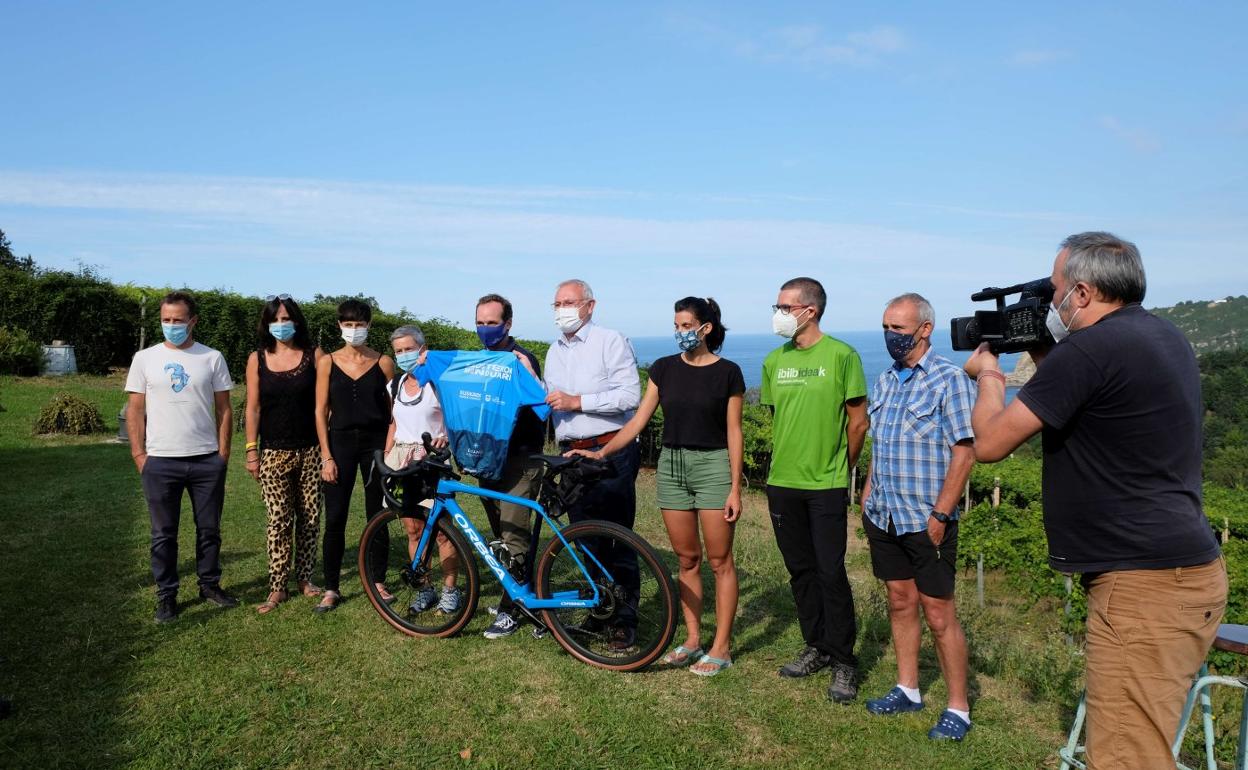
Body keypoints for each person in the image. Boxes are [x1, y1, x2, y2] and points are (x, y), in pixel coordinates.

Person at [965, 232, 1226, 768]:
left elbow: (989, 444)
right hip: (1180, 570)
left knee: (1125, 755)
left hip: (1140, 585)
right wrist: (1042, 345)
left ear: (1081, 293)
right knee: (1146, 746)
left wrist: (990, 375)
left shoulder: (1090, 349)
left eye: (1053, 289)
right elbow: (1085, 396)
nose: (1049, 300)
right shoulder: (1161, 336)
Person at [570, 297, 744, 675]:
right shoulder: (663, 369)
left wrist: (734, 487)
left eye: (686, 325)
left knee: (719, 561)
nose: (680, 332)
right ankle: (693, 639)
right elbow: (636, 422)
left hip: (713, 465)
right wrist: (603, 452)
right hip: (672, 467)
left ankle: (722, 646)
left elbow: (734, 431)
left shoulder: (728, 372)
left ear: (706, 329)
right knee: (687, 560)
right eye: (677, 325)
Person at [860, 293, 975, 740]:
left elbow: (964, 452)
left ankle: (958, 707)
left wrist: (943, 513)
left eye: (900, 329)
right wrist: (869, 493)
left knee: (939, 613)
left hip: (927, 518)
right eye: (886, 327)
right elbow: (880, 444)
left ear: (925, 329)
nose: (891, 336)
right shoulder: (886, 380)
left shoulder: (949, 380)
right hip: (884, 514)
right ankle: (908, 688)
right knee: (899, 601)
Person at [762, 276, 868, 703]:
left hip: (825, 483)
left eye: (785, 307)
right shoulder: (773, 361)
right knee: (800, 572)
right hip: (781, 483)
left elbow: (857, 421)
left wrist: (842, 467)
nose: (779, 314)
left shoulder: (842, 355)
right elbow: (778, 417)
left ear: (810, 310)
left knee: (830, 572)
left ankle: (844, 660)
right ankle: (816, 646)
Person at [125, 290, 238, 623]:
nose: (171, 325)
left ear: (193, 321)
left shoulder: (212, 358)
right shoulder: (144, 358)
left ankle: (209, 585)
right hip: (160, 460)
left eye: (178, 320)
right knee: (163, 534)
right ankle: (167, 595)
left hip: (206, 460)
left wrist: (223, 453)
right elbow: (135, 410)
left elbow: (224, 409)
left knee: (209, 530)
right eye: (166, 320)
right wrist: (139, 453)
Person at [544, 278, 642, 649]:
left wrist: (578, 402)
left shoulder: (610, 341)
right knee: (582, 536)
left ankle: (626, 620)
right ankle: (598, 608)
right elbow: (548, 399)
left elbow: (629, 395)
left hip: (609, 450)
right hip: (571, 454)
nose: (562, 310)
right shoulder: (554, 351)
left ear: (590, 305)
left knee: (617, 536)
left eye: (569, 302)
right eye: (556, 304)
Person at [243, 294, 325, 614]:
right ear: (267, 323)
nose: (281, 324)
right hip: (273, 452)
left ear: (297, 321)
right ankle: (278, 586)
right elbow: (252, 408)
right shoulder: (257, 359)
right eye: (275, 319)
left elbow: (324, 405)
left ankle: (305, 578)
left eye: (286, 318)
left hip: (311, 451)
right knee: (278, 519)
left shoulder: (314, 356)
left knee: (310, 517)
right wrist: (252, 451)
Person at [314, 299, 396, 613]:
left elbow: (394, 413)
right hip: (339, 444)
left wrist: (389, 450)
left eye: (359, 325)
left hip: (375, 446)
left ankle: (378, 581)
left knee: (378, 514)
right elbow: (321, 411)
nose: (354, 330)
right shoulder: (327, 362)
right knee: (335, 517)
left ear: (369, 326)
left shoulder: (384, 362)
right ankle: (331, 587)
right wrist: (326, 455)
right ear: (340, 326)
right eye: (348, 325)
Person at [473, 294, 548, 640]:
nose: (485, 329)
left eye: (492, 322)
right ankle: (519, 596)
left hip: (520, 460)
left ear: (508, 324)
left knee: (514, 535)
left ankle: (511, 610)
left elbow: (541, 407)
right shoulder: (480, 361)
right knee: (502, 536)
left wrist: (531, 376)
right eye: (481, 322)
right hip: (489, 462)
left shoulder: (521, 360)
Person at [384, 324, 461, 615]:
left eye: (408, 349)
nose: (404, 355)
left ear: (422, 350)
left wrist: (447, 439)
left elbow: (455, 418)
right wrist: (387, 455)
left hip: (432, 459)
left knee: (443, 532)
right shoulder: (394, 385)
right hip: (402, 461)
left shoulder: (438, 384)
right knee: (413, 530)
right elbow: (392, 423)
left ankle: (450, 591)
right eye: (398, 351)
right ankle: (425, 588)